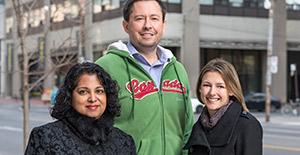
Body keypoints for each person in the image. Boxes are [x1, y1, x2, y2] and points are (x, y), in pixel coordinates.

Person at [95, 0, 194, 154]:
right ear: (126, 26)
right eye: (140, 18)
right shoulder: (105, 67)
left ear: (163, 25)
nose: (148, 25)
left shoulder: (178, 70)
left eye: (154, 18)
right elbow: (90, 126)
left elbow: (188, 129)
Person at [25, 62, 136, 154]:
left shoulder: (124, 141)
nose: (93, 98)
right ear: (69, 96)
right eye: (83, 92)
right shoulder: (45, 137)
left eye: (99, 91)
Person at [184, 59, 263, 155]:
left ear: (231, 90)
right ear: (200, 88)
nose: (212, 92)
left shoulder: (247, 125)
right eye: (207, 85)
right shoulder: (199, 127)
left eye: (220, 86)